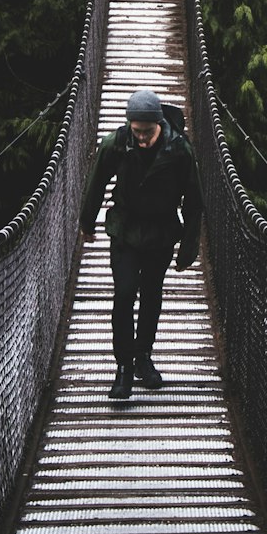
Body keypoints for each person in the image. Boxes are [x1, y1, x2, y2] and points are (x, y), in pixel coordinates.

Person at [79, 87, 202, 402]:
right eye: (137, 131)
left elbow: (194, 200)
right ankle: (123, 366)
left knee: (151, 294)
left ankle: (143, 357)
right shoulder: (116, 144)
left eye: (148, 132)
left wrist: (189, 247)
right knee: (123, 294)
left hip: (161, 232)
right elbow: (96, 183)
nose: (143, 138)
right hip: (126, 230)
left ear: (159, 124)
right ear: (129, 125)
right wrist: (87, 223)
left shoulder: (179, 150)